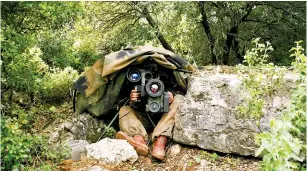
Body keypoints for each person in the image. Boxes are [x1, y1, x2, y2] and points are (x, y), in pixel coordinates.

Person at [115, 66, 184, 160]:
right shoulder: (134, 83)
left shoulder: (169, 76)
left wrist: (173, 94)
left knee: (179, 99)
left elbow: (184, 91)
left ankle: (160, 141)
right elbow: (118, 102)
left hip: (164, 118)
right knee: (124, 109)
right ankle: (138, 141)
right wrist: (132, 100)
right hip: (144, 119)